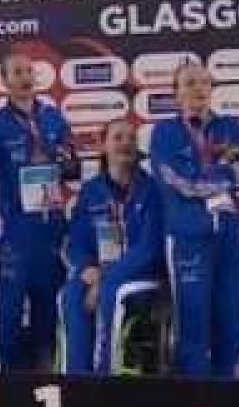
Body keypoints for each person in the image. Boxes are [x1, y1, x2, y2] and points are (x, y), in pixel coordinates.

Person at [0, 52, 78, 371]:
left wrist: (65, 160)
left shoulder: (53, 119)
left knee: (48, 310)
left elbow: (72, 170)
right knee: (8, 312)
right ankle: (6, 381)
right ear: (5, 81)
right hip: (15, 232)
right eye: (16, 73)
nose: (23, 78)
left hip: (50, 229)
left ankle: (47, 378)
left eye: (28, 72)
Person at [150, 60, 239, 379]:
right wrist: (219, 178)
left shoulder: (229, 126)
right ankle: (198, 400)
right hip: (187, 236)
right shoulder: (164, 132)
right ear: (176, 93)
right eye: (190, 83)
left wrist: (209, 179)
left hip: (231, 235)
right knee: (192, 322)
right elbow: (174, 179)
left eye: (204, 83)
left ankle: (231, 395)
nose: (198, 89)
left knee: (233, 319)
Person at [60, 118, 163, 375]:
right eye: (118, 137)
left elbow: (150, 248)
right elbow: (76, 241)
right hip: (101, 275)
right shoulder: (91, 191)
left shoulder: (152, 189)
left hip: (141, 276)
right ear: (104, 147)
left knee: (113, 294)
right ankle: (76, 379)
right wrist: (85, 267)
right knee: (71, 294)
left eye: (131, 138)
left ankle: (104, 377)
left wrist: (105, 277)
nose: (125, 143)